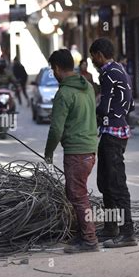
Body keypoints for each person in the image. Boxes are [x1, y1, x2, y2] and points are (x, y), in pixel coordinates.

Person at [44, 49, 99, 253]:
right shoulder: (89, 87)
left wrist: (48, 153)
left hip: (76, 152)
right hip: (90, 150)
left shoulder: (64, 93)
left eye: (53, 69)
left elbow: (56, 128)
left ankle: (90, 240)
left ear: (57, 68)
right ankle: (81, 234)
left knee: (78, 195)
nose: (54, 73)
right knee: (75, 193)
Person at [90, 38, 137, 248]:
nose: (92, 61)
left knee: (116, 184)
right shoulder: (121, 69)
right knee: (105, 182)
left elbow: (104, 108)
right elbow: (132, 105)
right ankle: (111, 227)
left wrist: (90, 112)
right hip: (117, 131)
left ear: (99, 54)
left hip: (112, 135)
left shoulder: (108, 74)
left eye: (93, 57)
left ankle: (127, 233)